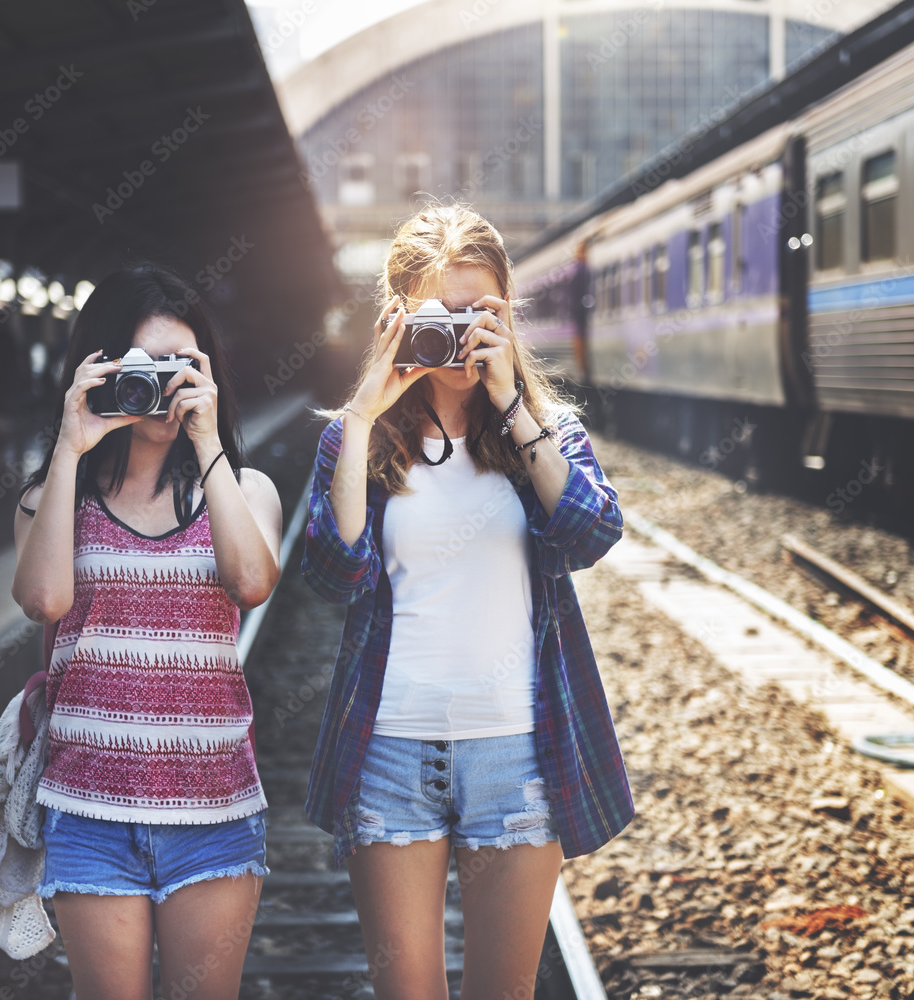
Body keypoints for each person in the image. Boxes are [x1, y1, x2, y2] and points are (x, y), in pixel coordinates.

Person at [301, 204, 635, 1000]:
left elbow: (591, 535)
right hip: (389, 754)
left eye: (479, 311)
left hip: (517, 753)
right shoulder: (357, 441)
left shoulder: (547, 433)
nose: (459, 334)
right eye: (437, 315)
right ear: (396, 316)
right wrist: (364, 408)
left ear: (508, 313)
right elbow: (332, 574)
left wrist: (513, 401)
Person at [11, 264, 282, 1000]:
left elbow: (251, 583)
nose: (162, 388)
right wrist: (70, 447)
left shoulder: (245, 489)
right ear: (97, 370)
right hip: (90, 809)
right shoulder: (52, 496)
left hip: (214, 810)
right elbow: (42, 598)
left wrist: (208, 445)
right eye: (144, 368)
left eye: (180, 367)